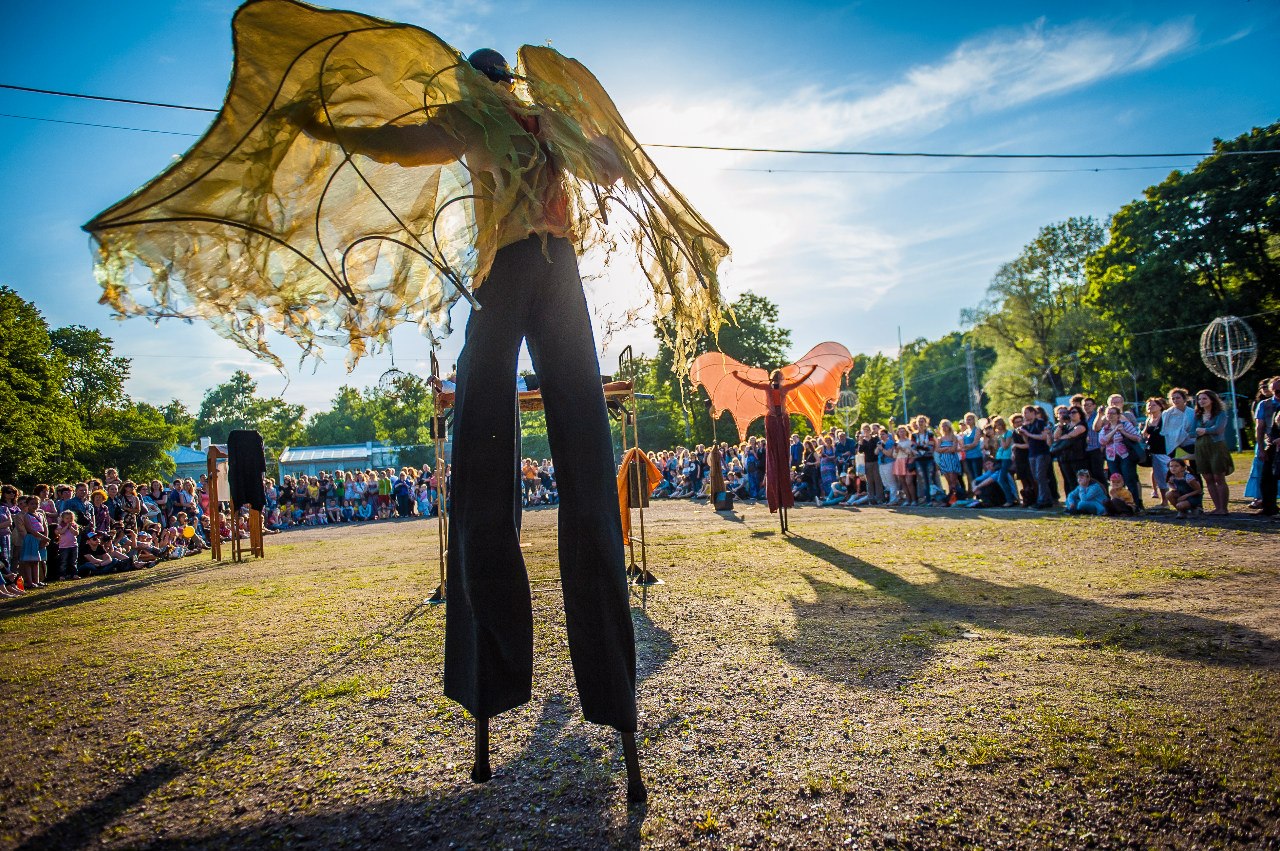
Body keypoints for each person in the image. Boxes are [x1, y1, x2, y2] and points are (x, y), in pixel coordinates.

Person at [1193, 389, 1233, 515]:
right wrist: (1199, 431)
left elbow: (1218, 429)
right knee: (1208, 477)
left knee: (1218, 476)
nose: (1201, 401)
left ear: (1212, 399)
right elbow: (1191, 431)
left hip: (1216, 446)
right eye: (1199, 399)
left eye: (1204, 398)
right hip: (1201, 447)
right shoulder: (1198, 415)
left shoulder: (1220, 414)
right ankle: (1217, 507)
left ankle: (1223, 507)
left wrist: (1204, 430)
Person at [1098, 405, 1145, 513]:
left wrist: (1123, 431)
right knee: (1115, 480)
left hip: (1125, 456)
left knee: (1129, 479)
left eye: (1113, 413)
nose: (1110, 415)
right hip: (1111, 457)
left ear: (1118, 415)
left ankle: (1135, 505)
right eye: (1108, 413)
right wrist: (1114, 430)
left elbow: (1137, 437)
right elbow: (1102, 441)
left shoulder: (1125, 424)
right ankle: (1118, 505)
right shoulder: (1105, 428)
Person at [1250, 376, 1280, 517]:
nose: (1276, 393)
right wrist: (1261, 449)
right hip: (1272, 445)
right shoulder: (1264, 404)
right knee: (1267, 478)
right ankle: (1269, 507)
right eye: (1274, 390)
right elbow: (1259, 428)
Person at [1020, 405, 1055, 509]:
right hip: (1032, 453)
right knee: (1036, 477)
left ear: (1032, 413)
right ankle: (1047, 499)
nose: (1024, 415)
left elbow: (1044, 437)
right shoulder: (1027, 425)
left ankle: (1043, 500)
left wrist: (1028, 433)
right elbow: (1028, 441)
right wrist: (1023, 434)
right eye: (1023, 413)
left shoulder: (1040, 423)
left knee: (1041, 477)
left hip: (1042, 453)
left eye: (1026, 413)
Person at [1142, 397, 1171, 505]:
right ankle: (1164, 501)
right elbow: (1144, 434)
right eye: (1149, 405)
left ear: (1161, 406)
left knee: (1168, 475)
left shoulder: (1164, 418)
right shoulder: (1149, 419)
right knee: (1159, 477)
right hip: (1153, 452)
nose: (1150, 407)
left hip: (1165, 451)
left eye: (1153, 405)